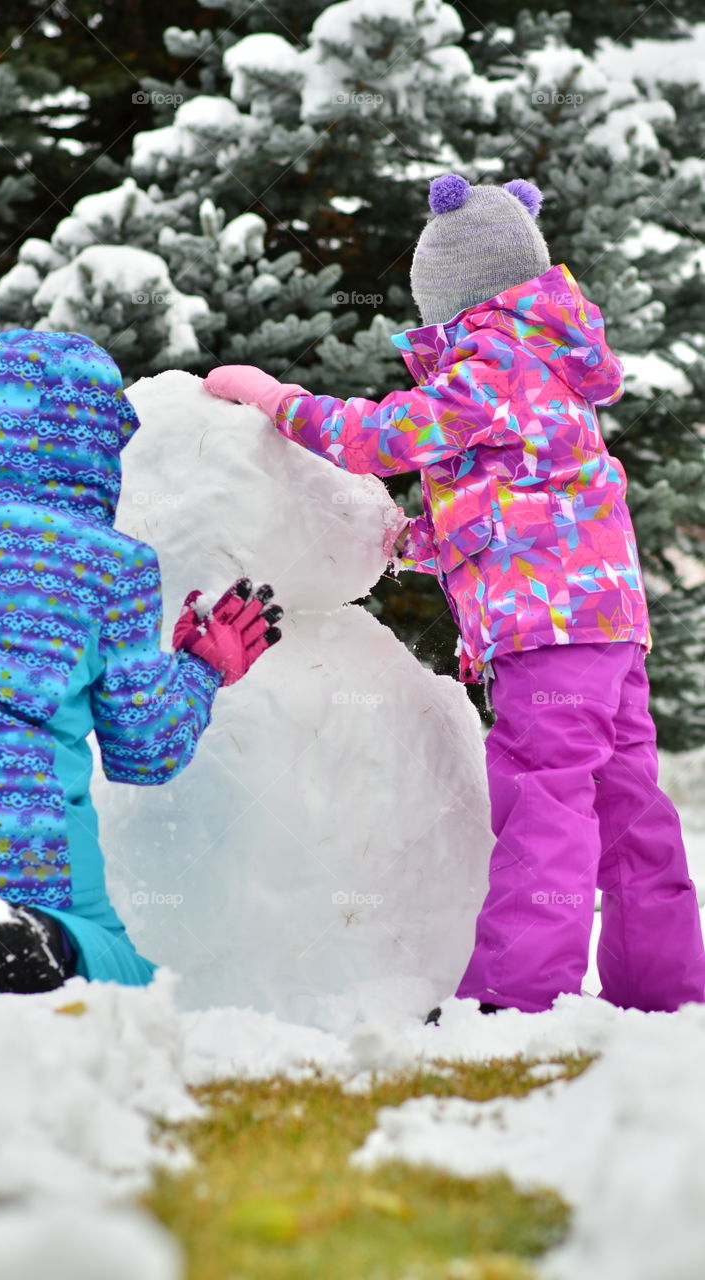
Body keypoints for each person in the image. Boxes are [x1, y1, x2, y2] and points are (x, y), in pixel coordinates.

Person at [201, 174, 705, 1015]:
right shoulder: (550, 362)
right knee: (629, 811)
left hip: (544, 632)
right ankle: (663, 991)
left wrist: (276, 399)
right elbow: (523, 498)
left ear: (456, 297)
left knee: (545, 799)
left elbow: (380, 437)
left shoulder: (490, 362)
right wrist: (421, 542)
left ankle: (515, 999)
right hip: (606, 625)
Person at [0, 329, 282, 993]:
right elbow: (143, 752)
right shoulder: (110, 564)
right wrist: (201, 671)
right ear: (93, 446)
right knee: (123, 973)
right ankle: (37, 938)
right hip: (25, 863)